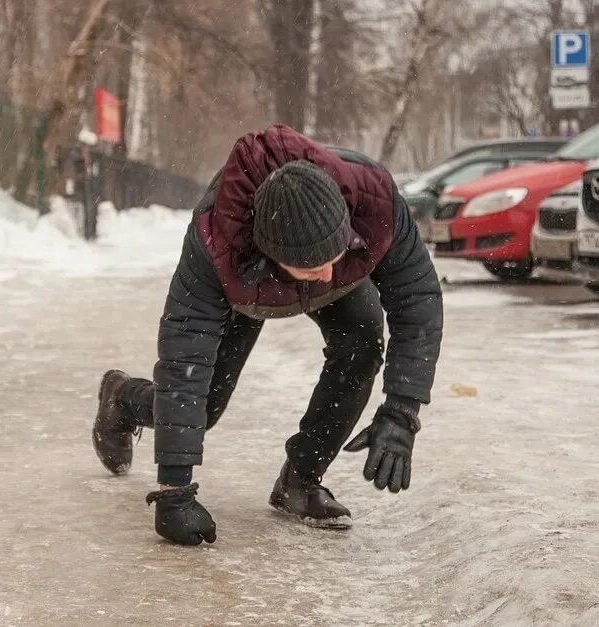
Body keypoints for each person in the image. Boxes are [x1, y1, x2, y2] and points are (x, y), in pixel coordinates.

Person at [93, 124, 443, 546]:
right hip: (247, 288)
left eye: (334, 256)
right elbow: (186, 353)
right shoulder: (216, 243)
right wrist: (174, 490)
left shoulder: (374, 201)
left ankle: (301, 480)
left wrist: (402, 412)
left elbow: (416, 298)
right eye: (314, 267)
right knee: (202, 409)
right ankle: (122, 398)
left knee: (362, 345)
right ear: (276, 255)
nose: (326, 274)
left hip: (341, 261)